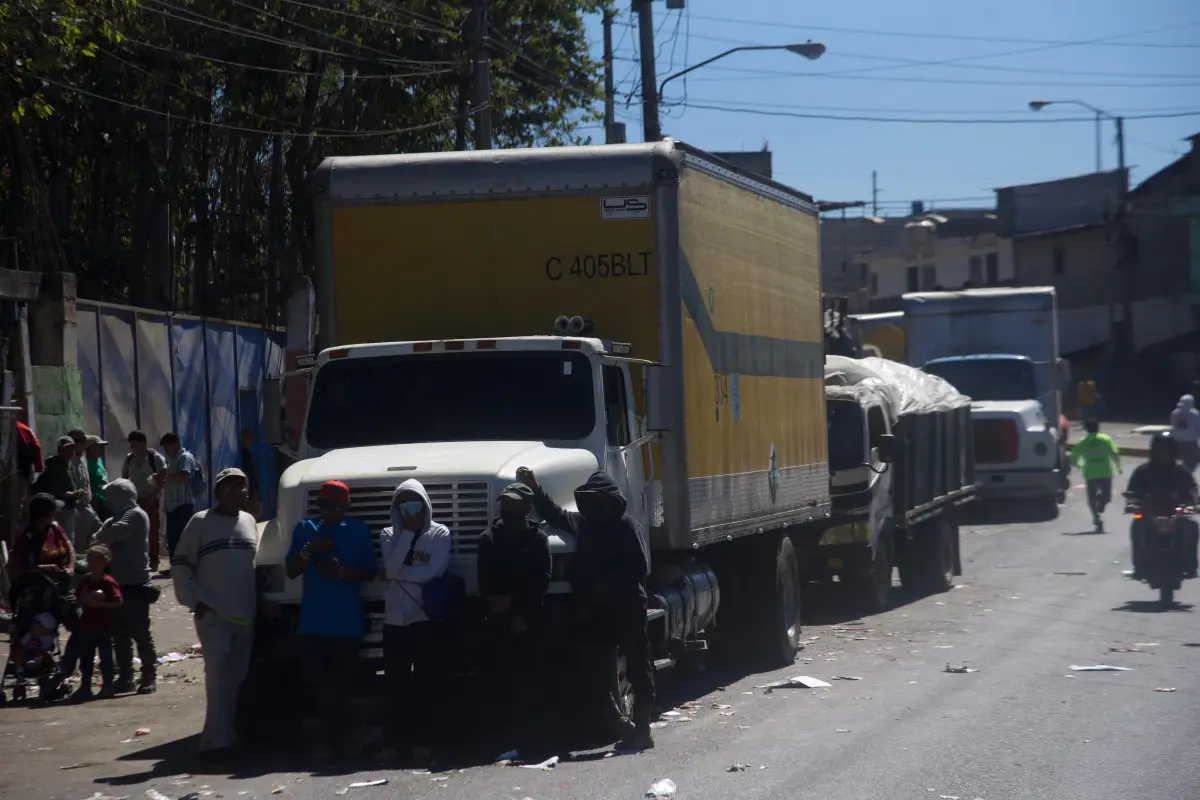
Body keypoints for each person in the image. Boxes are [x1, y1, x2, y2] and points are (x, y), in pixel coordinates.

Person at [516, 467, 655, 751]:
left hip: (627, 607)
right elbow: (554, 513)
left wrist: (605, 586)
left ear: (612, 501)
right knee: (593, 672)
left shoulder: (627, 526)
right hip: (597, 613)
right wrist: (534, 487)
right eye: (590, 500)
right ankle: (621, 724)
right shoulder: (583, 524)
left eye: (599, 500)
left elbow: (639, 569)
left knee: (639, 670)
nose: (594, 506)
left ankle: (642, 729)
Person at [284, 480, 377, 761]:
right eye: (325, 506)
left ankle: (333, 741)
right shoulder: (305, 530)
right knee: (321, 685)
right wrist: (309, 550)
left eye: (336, 506)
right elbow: (291, 570)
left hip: (347, 623)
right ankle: (339, 739)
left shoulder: (358, 531)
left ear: (345, 506)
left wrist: (340, 573)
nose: (330, 512)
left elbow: (369, 573)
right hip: (313, 623)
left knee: (342, 685)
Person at [172, 468, 258, 763]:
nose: (237, 492)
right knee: (218, 678)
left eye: (242, 487)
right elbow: (181, 564)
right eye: (230, 487)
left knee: (236, 678)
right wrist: (194, 603)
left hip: (245, 615)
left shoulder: (249, 522)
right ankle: (213, 743)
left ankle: (227, 735)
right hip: (214, 615)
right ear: (218, 492)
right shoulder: (200, 522)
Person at [377, 479, 451, 764]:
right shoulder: (388, 534)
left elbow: (435, 571)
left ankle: (424, 740)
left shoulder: (439, 533)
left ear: (425, 503)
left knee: (425, 681)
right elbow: (392, 565)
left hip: (424, 616)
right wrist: (406, 533)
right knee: (394, 682)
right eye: (404, 503)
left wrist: (396, 573)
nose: (410, 508)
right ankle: (394, 741)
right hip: (395, 618)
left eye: (415, 502)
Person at [476, 483, 552, 748]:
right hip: (500, 622)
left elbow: (541, 581)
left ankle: (534, 738)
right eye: (504, 503)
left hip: (531, 620)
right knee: (501, 680)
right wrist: (508, 614)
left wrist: (521, 612)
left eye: (513, 503)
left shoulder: (539, 539)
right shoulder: (488, 539)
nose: (507, 507)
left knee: (532, 680)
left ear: (527, 507)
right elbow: (486, 585)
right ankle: (501, 739)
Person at [7, 493, 76, 702]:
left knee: (81, 624)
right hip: (34, 595)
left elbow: (70, 548)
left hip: (58, 591)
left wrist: (71, 568)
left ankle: (59, 670)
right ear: (42, 515)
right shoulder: (26, 538)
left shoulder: (55, 529)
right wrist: (40, 569)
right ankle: (31, 672)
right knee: (30, 629)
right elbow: (14, 567)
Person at [94, 478, 158, 695]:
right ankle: (126, 676)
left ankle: (149, 675)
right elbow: (97, 539)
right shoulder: (116, 518)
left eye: (111, 496)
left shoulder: (136, 515)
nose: (108, 501)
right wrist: (104, 536)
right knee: (119, 635)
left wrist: (105, 536)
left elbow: (108, 535)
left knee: (140, 633)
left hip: (135, 583)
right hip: (117, 583)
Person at [1126, 434, 1199, 580]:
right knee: (1137, 526)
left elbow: (1191, 490)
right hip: (1149, 513)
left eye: (1166, 451)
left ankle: (1190, 565)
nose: (1163, 455)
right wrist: (1132, 503)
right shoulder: (1143, 471)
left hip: (1176, 513)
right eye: (1160, 451)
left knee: (1192, 526)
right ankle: (1139, 566)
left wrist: (1194, 503)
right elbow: (1133, 491)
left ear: (1173, 452)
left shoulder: (1180, 471)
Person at [71, 545, 122, 702]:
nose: (93, 564)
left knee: (106, 658)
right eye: (90, 560)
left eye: (97, 561)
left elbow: (118, 601)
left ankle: (108, 686)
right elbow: (77, 600)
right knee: (86, 658)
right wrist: (85, 600)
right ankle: (85, 686)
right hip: (87, 625)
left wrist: (100, 604)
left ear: (105, 563)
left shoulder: (108, 582)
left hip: (104, 625)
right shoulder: (85, 582)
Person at [123, 430, 168, 573]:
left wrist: (153, 496)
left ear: (144, 443)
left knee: (152, 530)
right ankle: (138, 557)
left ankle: (153, 558)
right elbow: (125, 478)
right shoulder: (129, 458)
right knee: (134, 529)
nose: (133, 449)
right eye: (131, 446)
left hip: (150, 499)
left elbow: (162, 478)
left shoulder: (154, 458)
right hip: (134, 500)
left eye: (135, 445)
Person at [33, 436, 87, 547]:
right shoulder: (54, 467)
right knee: (62, 539)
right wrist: (72, 495)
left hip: (69, 507)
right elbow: (54, 492)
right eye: (66, 449)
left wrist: (77, 493)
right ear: (59, 450)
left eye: (72, 448)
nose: (70, 451)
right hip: (56, 509)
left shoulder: (69, 465)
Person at [1069, 419, 1122, 532]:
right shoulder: (1105, 439)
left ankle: (1096, 516)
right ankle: (1099, 510)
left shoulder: (1083, 441)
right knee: (1106, 496)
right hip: (1105, 472)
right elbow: (1114, 453)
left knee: (1092, 498)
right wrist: (1118, 467)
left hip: (1090, 473)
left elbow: (1073, 457)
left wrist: (1078, 466)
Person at [159, 433, 199, 562]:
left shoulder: (185, 457)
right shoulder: (172, 460)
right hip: (172, 505)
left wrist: (164, 477)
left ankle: (186, 563)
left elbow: (184, 476)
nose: (166, 451)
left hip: (183, 504)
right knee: (173, 538)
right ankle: (175, 564)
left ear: (175, 444)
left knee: (183, 536)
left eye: (167, 447)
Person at [66, 428, 102, 550]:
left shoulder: (82, 458)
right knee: (80, 538)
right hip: (77, 507)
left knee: (98, 530)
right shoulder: (70, 460)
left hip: (87, 504)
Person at [1169, 395, 1200, 473]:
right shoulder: (1195, 414)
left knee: (1184, 458)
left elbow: (1173, 426)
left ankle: (1180, 472)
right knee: (1194, 459)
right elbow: (1198, 427)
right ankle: (1185, 474)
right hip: (1190, 442)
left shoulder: (1175, 413)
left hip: (1177, 440)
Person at [86, 435, 111, 521]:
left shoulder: (99, 461)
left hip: (106, 502)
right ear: (90, 448)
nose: (102, 449)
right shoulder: (87, 465)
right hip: (97, 504)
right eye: (99, 447)